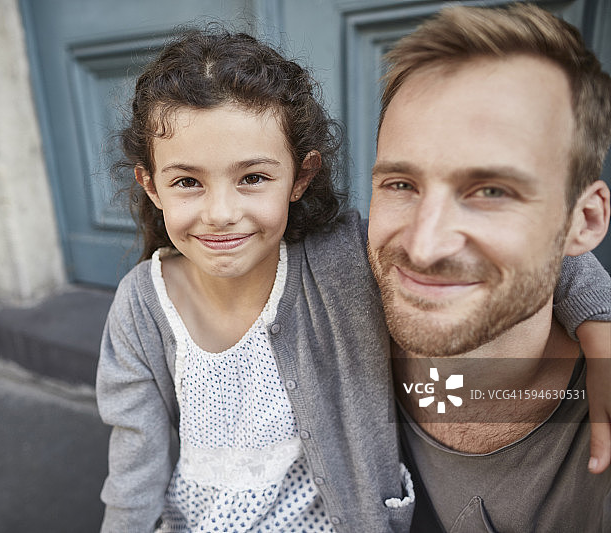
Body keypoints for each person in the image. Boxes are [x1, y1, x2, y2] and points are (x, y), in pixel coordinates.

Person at [96, 26, 611, 533]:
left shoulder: (340, 259)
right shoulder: (143, 303)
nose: (221, 212)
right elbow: (134, 468)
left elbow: (534, 245)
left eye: (252, 178)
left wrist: (600, 322)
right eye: (187, 182)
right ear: (151, 184)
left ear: (300, 176)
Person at [367, 4, 611, 531]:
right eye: (401, 184)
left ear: (583, 221)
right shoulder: (321, 322)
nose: (425, 246)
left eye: (491, 191)